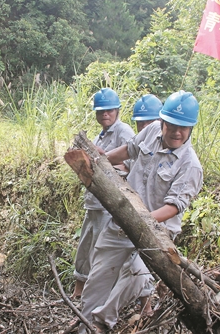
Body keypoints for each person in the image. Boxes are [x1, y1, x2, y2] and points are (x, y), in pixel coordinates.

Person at [79, 90, 203, 333]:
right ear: (164, 121)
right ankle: (84, 325)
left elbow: (173, 207)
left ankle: (102, 323)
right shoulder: (152, 130)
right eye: (173, 125)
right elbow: (130, 149)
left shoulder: (190, 165)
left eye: (184, 128)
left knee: (138, 275)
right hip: (119, 226)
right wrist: (102, 161)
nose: (177, 132)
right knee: (98, 280)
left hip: (156, 233)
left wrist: (138, 220)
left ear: (191, 129)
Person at [71, 88, 135, 299]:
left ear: (117, 110)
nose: (105, 114)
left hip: (110, 202)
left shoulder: (123, 131)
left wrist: (103, 164)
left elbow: (130, 165)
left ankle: (99, 293)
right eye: (101, 111)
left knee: (101, 248)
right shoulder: (101, 134)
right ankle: (79, 289)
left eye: (109, 110)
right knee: (86, 243)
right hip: (95, 201)